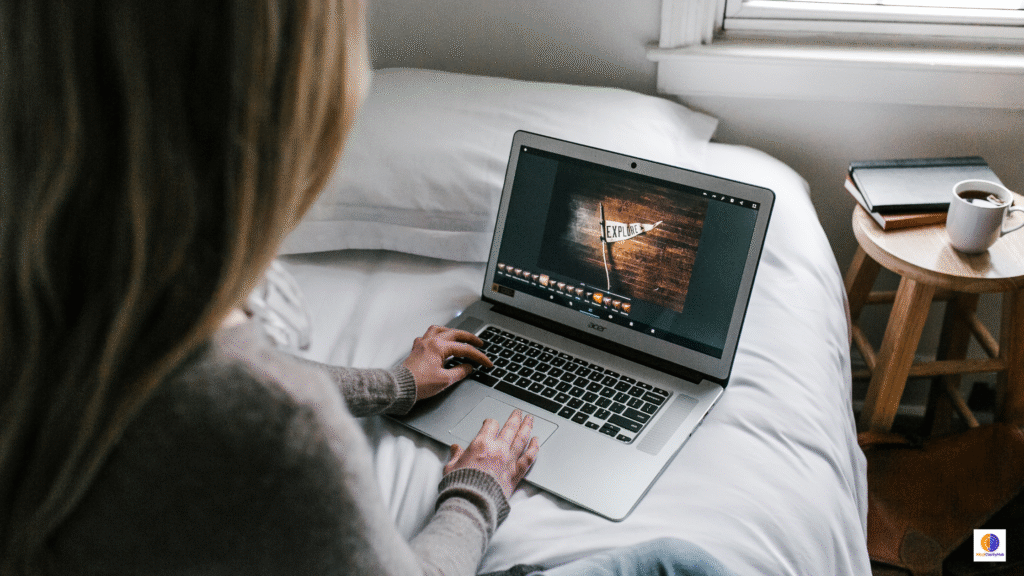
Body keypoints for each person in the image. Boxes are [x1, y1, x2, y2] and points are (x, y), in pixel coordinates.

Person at [0, 1, 734, 575]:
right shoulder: (272, 428)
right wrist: (479, 488)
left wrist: (393, 384)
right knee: (686, 564)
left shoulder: (62, 297)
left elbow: (198, 369)